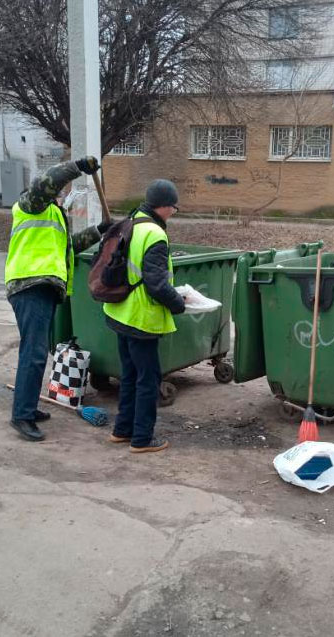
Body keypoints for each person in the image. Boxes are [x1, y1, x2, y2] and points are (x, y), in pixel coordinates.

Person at [5, 156, 112, 442]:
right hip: (30, 285)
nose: (62, 195)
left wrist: (101, 231)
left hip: (44, 287)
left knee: (37, 352)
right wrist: (77, 167)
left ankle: (26, 407)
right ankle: (22, 416)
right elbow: (46, 183)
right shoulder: (30, 205)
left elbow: (70, 248)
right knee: (34, 352)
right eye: (59, 191)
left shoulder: (53, 216)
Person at [103, 179, 187, 453]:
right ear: (163, 206)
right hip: (141, 318)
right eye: (173, 207)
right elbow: (157, 284)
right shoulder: (155, 234)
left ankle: (122, 430)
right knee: (148, 380)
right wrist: (179, 303)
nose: (174, 212)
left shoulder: (133, 220)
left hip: (120, 312)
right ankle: (141, 438)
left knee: (129, 375)